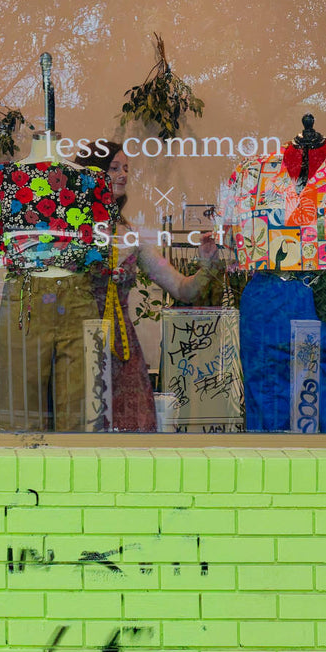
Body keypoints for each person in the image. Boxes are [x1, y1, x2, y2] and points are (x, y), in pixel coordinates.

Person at [73, 139, 224, 432]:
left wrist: (206, 264)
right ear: (91, 174)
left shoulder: (131, 236)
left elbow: (182, 289)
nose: (123, 175)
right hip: (77, 346)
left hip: (123, 350)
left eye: (126, 169)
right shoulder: (66, 232)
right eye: (114, 168)